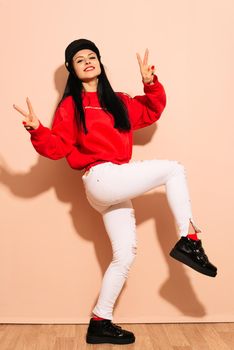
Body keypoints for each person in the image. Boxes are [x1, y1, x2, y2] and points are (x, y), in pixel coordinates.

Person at [13, 38, 217, 345]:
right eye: (79, 59)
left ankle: (100, 321)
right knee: (174, 168)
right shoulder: (71, 105)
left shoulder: (118, 100)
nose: (87, 61)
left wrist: (150, 83)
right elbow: (57, 148)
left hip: (115, 185)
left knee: (124, 255)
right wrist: (37, 129)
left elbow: (151, 112)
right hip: (100, 177)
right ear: (72, 69)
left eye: (91, 56)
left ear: (100, 62)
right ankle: (189, 240)